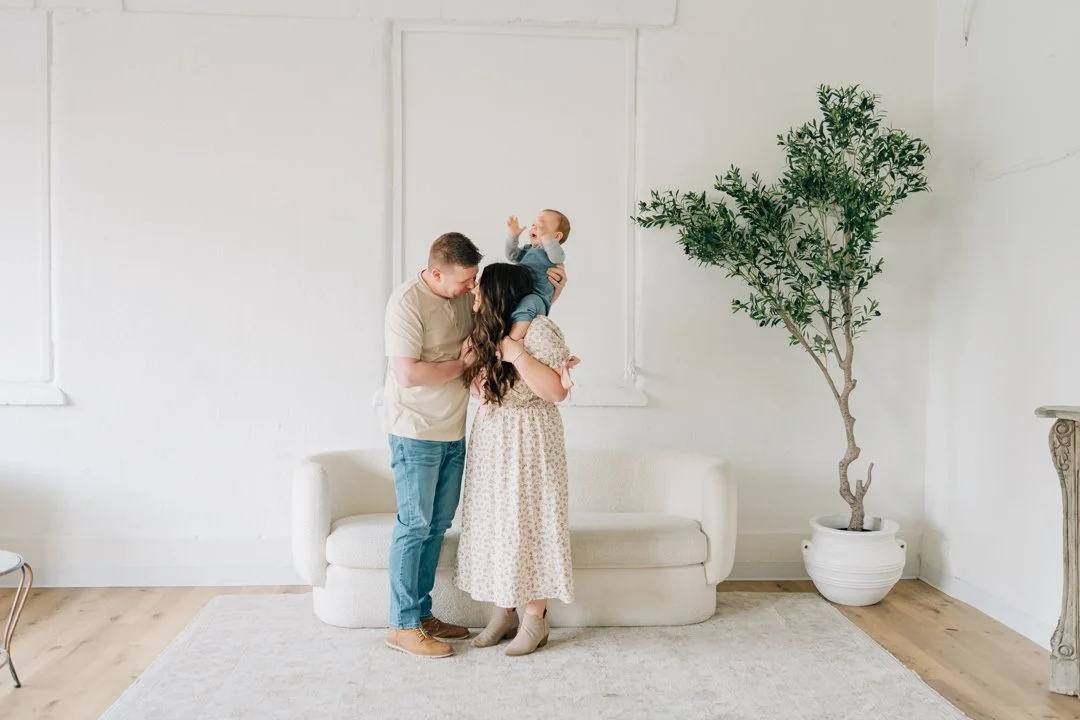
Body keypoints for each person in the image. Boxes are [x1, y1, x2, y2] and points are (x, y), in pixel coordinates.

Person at [382, 233, 565, 659]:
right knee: (415, 525)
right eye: (465, 282)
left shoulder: (473, 300)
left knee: (435, 527)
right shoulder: (407, 304)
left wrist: (552, 290)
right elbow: (407, 374)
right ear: (435, 272)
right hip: (416, 430)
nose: (471, 289)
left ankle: (422, 616)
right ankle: (403, 625)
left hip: (456, 433)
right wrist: (465, 365)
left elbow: (516, 301)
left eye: (475, 282)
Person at [455, 262, 578, 657]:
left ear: (498, 292)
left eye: (479, 290)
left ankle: (535, 617)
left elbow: (556, 391)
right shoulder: (487, 328)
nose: (474, 295)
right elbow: (479, 387)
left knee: (531, 523)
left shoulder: (538, 329)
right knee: (497, 525)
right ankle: (503, 611)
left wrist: (516, 353)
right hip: (493, 438)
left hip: (531, 439)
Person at [504, 209, 570, 341]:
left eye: (541, 226)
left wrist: (547, 240)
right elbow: (512, 256)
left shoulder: (553, 254)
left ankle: (512, 340)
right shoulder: (529, 249)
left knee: (526, 306)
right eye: (533, 224)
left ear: (556, 237)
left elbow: (557, 256)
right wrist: (513, 237)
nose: (534, 228)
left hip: (537, 297)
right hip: (519, 292)